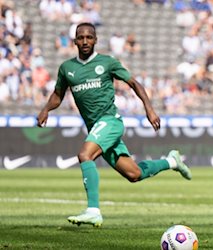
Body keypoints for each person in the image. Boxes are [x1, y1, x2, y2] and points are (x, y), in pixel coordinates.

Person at [36, 22, 192, 227]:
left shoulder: (107, 62)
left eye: (89, 37)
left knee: (84, 155)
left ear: (95, 40)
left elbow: (134, 83)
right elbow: (58, 95)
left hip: (110, 122)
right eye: (81, 38)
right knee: (134, 174)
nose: (85, 41)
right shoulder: (67, 68)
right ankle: (171, 162)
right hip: (97, 128)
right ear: (74, 41)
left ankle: (93, 210)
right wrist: (46, 109)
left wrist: (149, 109)